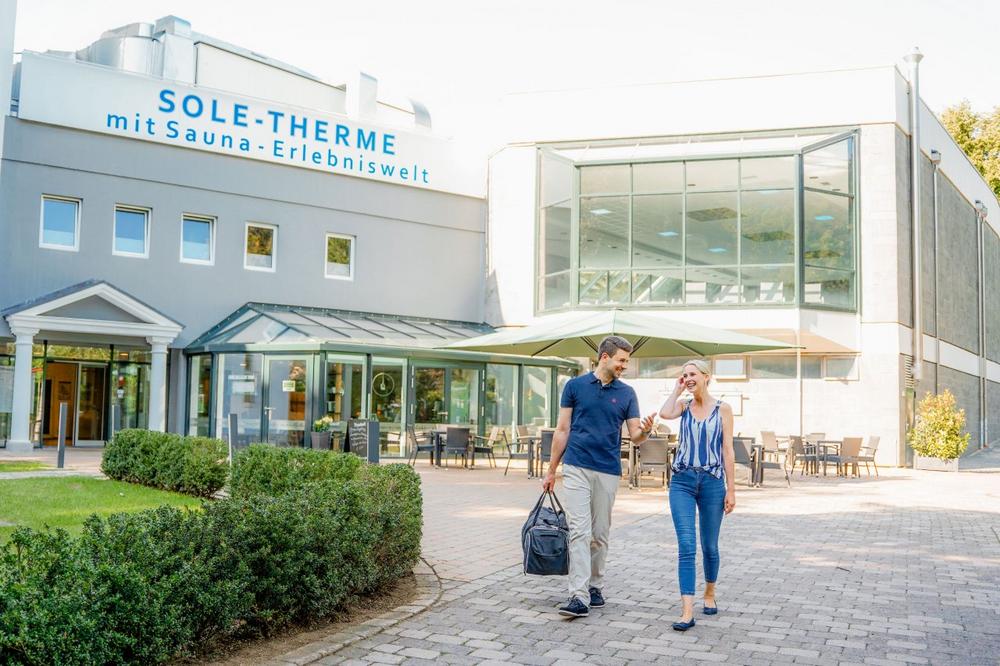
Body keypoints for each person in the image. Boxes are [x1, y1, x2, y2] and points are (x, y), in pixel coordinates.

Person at [542, 335, 655, 618]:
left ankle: (595, 586)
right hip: (576, 466)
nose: (624, 366)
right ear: (604, 357)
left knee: (600, 534)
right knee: (579, 531)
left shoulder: (627, 393)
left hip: (607, 470)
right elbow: (562, 430)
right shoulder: (575, 386)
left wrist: (646, 431)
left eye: (626, 361)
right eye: (621, 360)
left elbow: (635, 436)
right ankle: (578, 596)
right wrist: (551, 470)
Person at [658, 359, 736, 631]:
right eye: (684, 375)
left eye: (692, 374)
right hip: (682, 481)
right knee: (687, 546)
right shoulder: (683, 406)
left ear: (706, 377)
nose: (688, 378)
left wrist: (731, 489)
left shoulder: (723, 409)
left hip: (713, 483)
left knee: (710, 546)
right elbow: (664, 413)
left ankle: (710, 592)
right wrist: (677, 390)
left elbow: (728, 450)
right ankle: (687, 612)